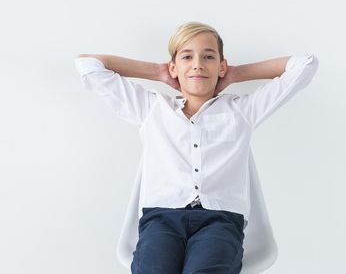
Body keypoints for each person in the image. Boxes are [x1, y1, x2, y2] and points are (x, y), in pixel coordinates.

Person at [74, 21, 319, 274]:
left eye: (209, 57)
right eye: (187, 57)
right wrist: (159, 72)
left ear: (221, 65)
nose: (198, 64)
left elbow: (305, 64)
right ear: (174, 66)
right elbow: (88, 65)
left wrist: (235, 74)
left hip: (220, 222)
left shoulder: (242, 111)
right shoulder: (151, 109)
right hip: (161, 219)